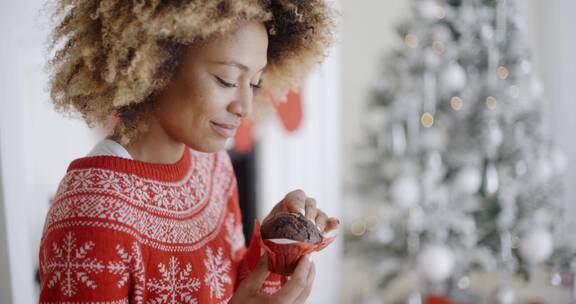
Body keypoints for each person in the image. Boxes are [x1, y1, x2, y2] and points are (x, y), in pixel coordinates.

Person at [38, 1, 339, 303]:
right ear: (157, 61)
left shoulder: (212, 165)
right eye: (227, 80)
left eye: (255, 83)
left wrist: (275, 252)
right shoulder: (91, 214)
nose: (245, 108)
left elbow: (229, 288)